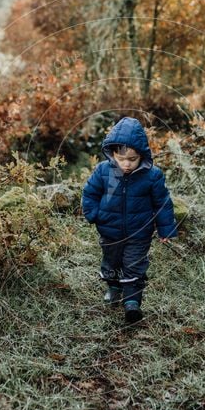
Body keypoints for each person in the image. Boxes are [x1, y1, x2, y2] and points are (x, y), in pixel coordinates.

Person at [81, 116, 178, 324]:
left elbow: (162, 202)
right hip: (110, 231)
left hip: (139, 233)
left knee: (134, 265)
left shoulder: (152, 176)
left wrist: (166, 230)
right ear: (113, 153)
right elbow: (89, 193)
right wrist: (94, 214)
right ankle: (114, 289)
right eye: (122, 159)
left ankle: (132, 303)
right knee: (112, 263)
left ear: (141, 155)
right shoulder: (103, 171)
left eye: (132, 159)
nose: (126, 164)